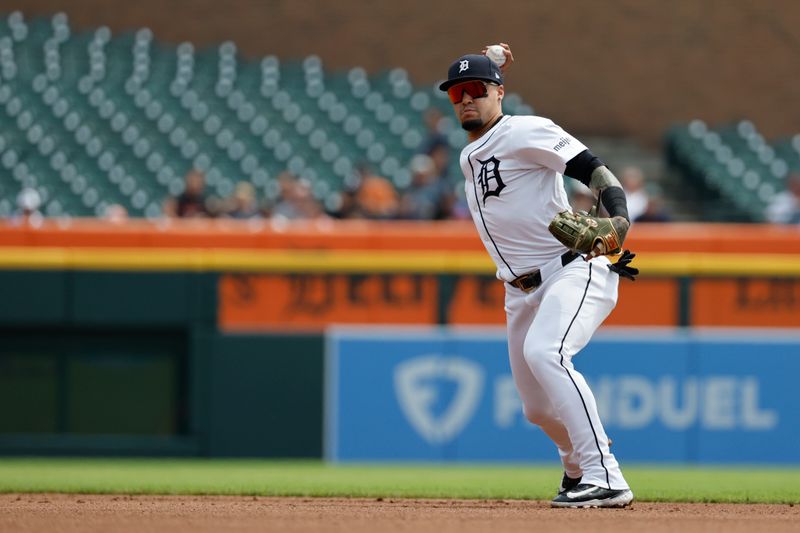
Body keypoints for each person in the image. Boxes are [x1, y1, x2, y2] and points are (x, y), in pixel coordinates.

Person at [439, 44, 634, 508]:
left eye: (477, 91)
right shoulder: (474, 151)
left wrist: (619, 221)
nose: (466, 99)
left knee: (547, 352)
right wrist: (488, 62)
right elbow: (487, 110)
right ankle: (574, 471)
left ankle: (605, 476)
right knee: (535, 408)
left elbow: (594, 170)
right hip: (520, 290)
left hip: (570, 271)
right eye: (457, 93)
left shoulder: (527, 129)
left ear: (500, 94)